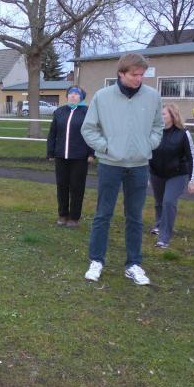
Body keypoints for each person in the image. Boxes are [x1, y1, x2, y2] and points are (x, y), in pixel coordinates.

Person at [81, 53, 163, 285]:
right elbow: (89, 129)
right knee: (103, 214)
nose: (139, 79)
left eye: (142, 75)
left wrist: (148, 144)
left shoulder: (152, 97)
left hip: (139, 166)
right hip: (110, 164)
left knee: (135, 217)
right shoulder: (102, 97)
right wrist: (106, 147)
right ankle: (96, 260)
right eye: (134, 74)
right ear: (121, 73)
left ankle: (133, 264)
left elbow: (158, 127)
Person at [149, 103, 194, 249]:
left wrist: (192, 180)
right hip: (156, 173)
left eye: (163, 114)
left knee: (168, 202)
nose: (160, 116)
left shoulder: (183, 133)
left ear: (172, 116)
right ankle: (159, 225)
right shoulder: (153, 132)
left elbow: (192, 157)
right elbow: (146, 152)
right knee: (159, 202)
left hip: (177, 174)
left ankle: (164, 237)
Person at [47, 86, 94, 228]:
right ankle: (62, 215)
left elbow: (92, 133)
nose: (73, 96)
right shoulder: (60, 112)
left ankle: (74, 217)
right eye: (70, 94)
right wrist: (51, 152)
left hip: (80, 157)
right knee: (62, 186)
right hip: (61, 156)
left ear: (81, 97)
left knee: (77, 187)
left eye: (76, 94)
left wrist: (91, 153)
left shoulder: (87, 112)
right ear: (67, 96)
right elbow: (52, 133)